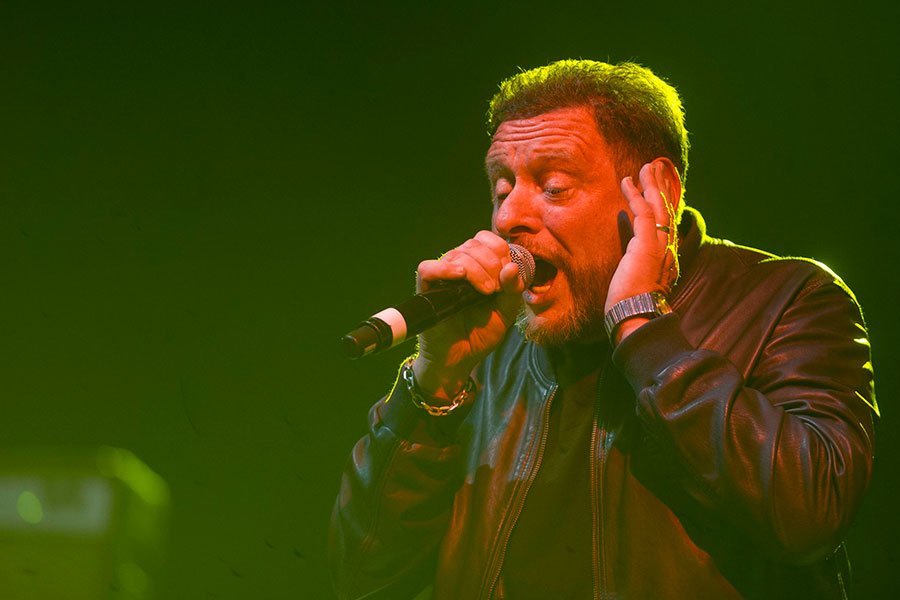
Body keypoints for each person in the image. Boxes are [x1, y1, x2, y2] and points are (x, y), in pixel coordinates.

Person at [329, 60, 878, 599]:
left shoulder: (786, 298)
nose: (508, 217)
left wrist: (643, 327)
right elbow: (365, 575)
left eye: (553, 186)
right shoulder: (489, 339)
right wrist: (435, 382)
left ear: (659, 193)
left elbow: (812, 514)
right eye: (502, 189)